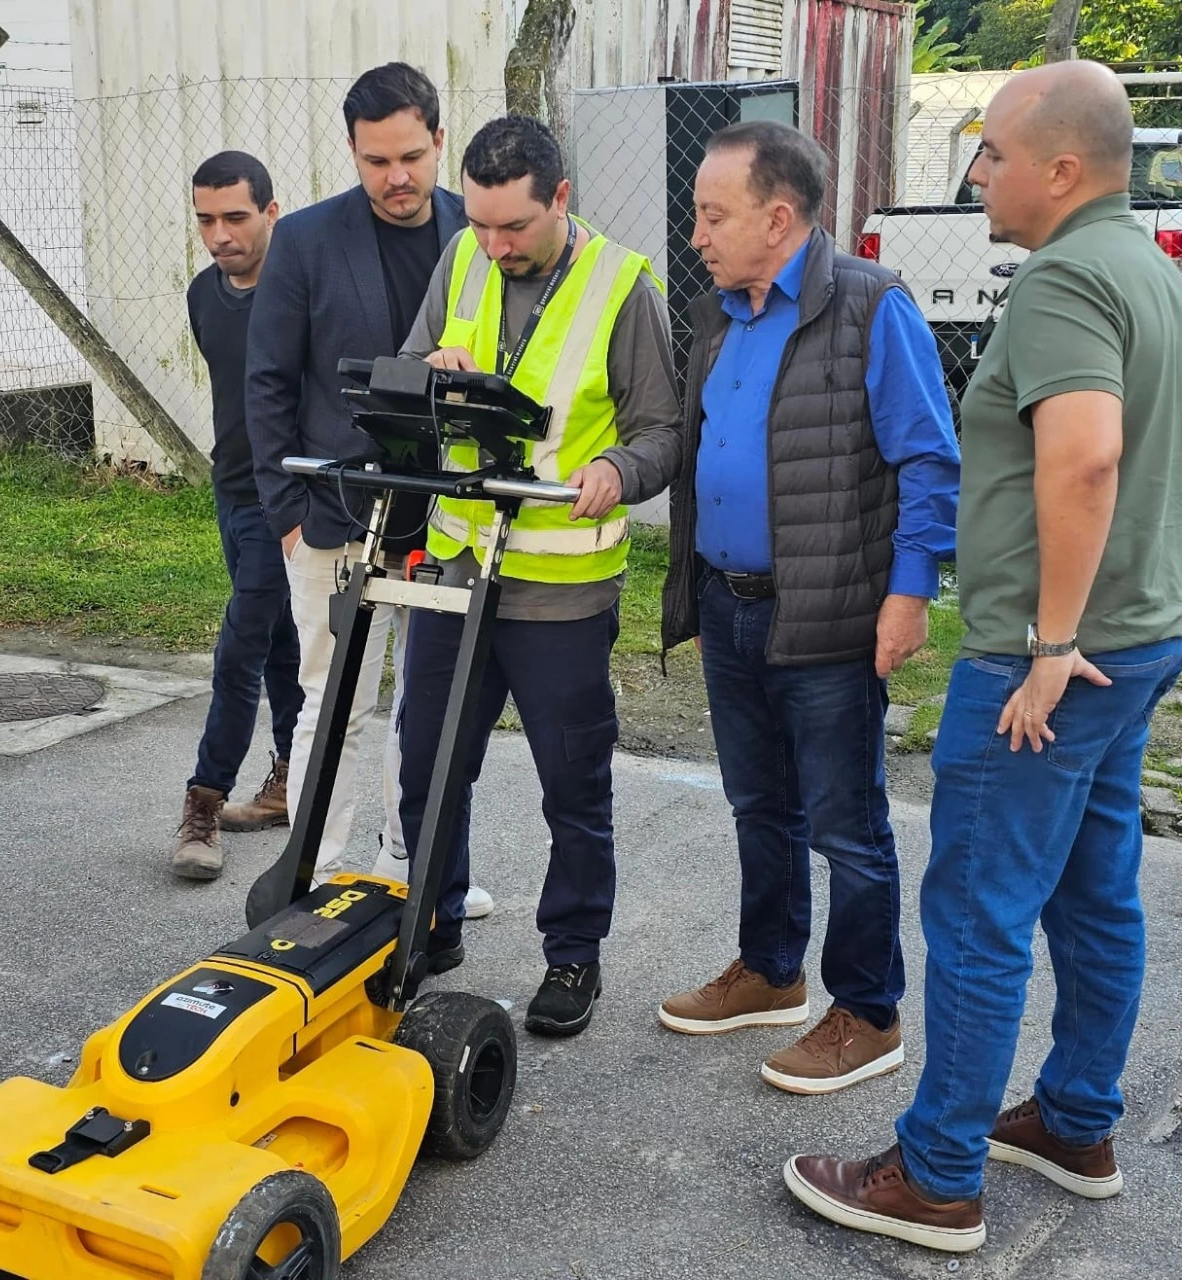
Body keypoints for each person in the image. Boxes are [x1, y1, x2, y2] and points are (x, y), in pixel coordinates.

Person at [785, 61, 1182, 1253]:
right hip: (1139, 637)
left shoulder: (1064, 279)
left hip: (1053, 661)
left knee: (975, 907)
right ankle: (1073, 1120)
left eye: (991, 155)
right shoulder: (1143, 264)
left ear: (1059, 169)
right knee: (1092, 891)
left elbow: (1083, 457)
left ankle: (935, 1176)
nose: (974, 174)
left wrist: (1048, 642)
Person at [656, 121, 959, 1094]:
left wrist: (909, 591)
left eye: (713, 215)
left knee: (846, 826)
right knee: (759, 805)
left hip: (830, 612)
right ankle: (770, 970)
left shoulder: (871, 307)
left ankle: (868, 1013)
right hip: (729, 605)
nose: (696, 234)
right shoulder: (717, 316)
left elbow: (929, 459)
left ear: (778, 217)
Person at [398, 115, 683, 1036]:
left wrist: (620, 471)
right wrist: (429, 371)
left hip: (561, 587)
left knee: (572, 782)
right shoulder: (461, 258)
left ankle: (572, 954)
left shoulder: (622, 286)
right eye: (480, 224)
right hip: (458, 564)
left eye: (513, 227)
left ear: (561, 197)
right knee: (429, 760)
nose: (494, 245)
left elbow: (663, 430)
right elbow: (407, 369)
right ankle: (431, 922)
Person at [245, 63, 492, 915]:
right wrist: (286, 514)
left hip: (449, 513)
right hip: (335, 513)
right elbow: (266, 384)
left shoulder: (480, 232)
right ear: (352, 152)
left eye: (412, 157)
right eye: (376, 161)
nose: (397, 177)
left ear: (439, 140)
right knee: (333, 697)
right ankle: (308, 876)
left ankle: (412, 870)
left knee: (430, 704)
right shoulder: (305, 241)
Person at [172, 152, 305, 880]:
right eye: (206, 220)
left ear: (270, 213)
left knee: (240, 644)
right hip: (229, 491)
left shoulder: (299, 290)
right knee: (278, 638)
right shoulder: (203, 294)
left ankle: (204, 799)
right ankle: (289, 776)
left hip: (280, 500)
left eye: (235, 217)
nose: (219, 235)